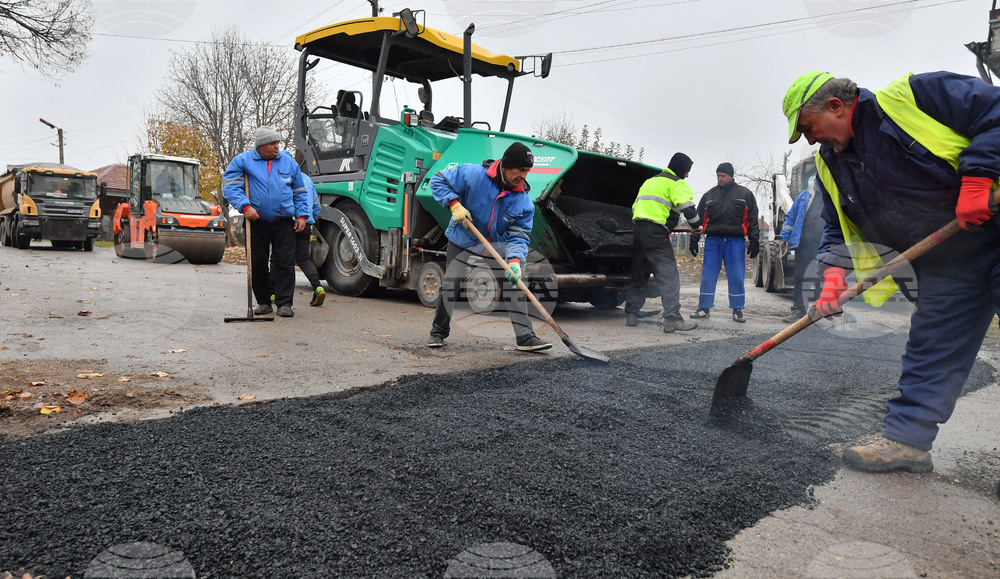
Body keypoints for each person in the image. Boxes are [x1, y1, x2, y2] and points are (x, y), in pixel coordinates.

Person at [782, 69, 1000, 473]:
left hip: (995, 228)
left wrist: (979, 177)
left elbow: (996, 112)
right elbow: (835, 227)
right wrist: (832, 277)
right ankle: (907, 442)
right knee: (931, 349)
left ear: (836, 106)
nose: (810, 140)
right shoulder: (829, 165)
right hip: (947, 259)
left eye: (809, 129)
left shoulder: (915, 96)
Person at [426, 142, 551, 352]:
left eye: (527, 171)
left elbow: (518, 236)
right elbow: (438, 180)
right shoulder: (473, 174)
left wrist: (514, 262)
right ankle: (438, 332)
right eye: (520, 170)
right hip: (464, 237)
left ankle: (525, 337)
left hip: (495, 244)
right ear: (506, 166)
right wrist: (454, 205)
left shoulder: (523, 201)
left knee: (514, 284)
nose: (524, 176)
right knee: (451, 284)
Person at [223, 126, 309, 318]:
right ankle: (263, 302)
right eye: (272, 143)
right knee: (257, 262)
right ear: (261, 146)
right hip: (256, 222)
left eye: (278, 142)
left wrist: (302, 215)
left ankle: (284, 303)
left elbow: (299, 191)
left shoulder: (288, 162)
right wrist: (244, 207)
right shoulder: (244, 161)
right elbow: (230, 186)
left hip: (284, 221)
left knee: (285, 262)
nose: (277, 146)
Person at [624, 152, 702, 333]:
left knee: (639, 273)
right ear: (681, 168)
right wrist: (697, 226)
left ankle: (632, 314)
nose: (688, 175)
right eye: (687, 171)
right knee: (669, 276)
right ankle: (672, 319)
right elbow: (689, 211)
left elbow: (636, 207)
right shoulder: (676, 184)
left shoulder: (649, 182)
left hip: (638, 231)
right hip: (656, 235)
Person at [689, 163, 760, 323]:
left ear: (731, 176)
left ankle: (738, 309)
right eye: (718, 176)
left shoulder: (745, 194)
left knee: (736, 275)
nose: (720, 179)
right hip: (713, 240)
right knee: (708, 274)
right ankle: (704, 308)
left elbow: (753, 219)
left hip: (735, 241)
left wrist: (755, 239)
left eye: (723, 176)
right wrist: (694, 239)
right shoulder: (709, 196)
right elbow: (699, 219)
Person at [269, 174, 326, 307]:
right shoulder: (307, 179)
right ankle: (318, 288)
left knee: (276, 258)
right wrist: (312, 219)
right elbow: (316, 205)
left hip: (288, 223)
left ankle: (272, 293)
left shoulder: (281, 176)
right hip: (305, 222)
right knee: (304, 259)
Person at [779, 177, 825, 323]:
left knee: (822, 280)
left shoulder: (835, 197)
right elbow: (791, 217)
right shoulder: (805, 196)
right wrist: (785, 236)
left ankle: (819, 313)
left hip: (825, 246)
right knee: (800, 278)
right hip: (804, 245)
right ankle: (799, 311)